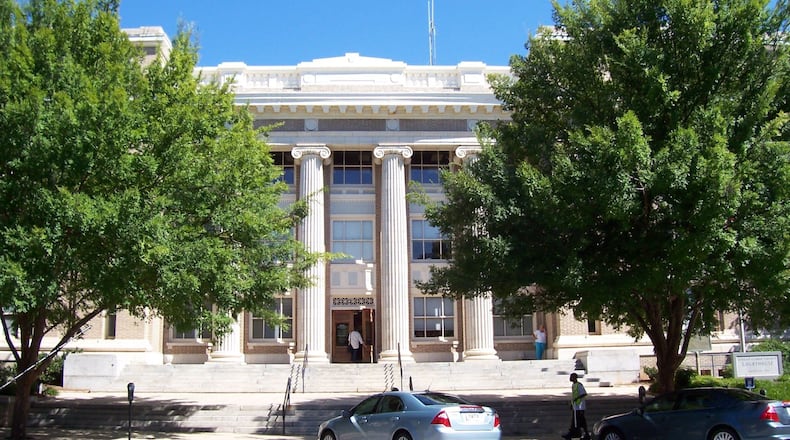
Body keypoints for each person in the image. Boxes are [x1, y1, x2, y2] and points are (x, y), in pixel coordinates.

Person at [562, 373, 590, 440]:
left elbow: (584, 394)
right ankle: (578, 433)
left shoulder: (579, 385)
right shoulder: (573, 385)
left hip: (580, 406)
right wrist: (572, 404)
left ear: (575, 377)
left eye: (571, 377)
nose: (570, 378)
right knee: (577, 421)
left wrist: (577, 399)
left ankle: (582, 434)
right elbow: (574, 395)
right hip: (576, 406)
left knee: (580, 421)